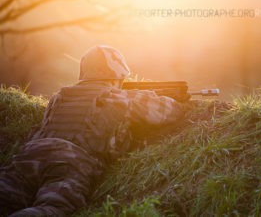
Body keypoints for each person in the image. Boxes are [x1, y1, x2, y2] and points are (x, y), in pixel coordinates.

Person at [0, 45, 183, 216]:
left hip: (30, 156)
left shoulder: (60, 96)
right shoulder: (118, 97)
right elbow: (170, 111)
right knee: (54, 208)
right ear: (117, 75)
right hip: (69, 163)